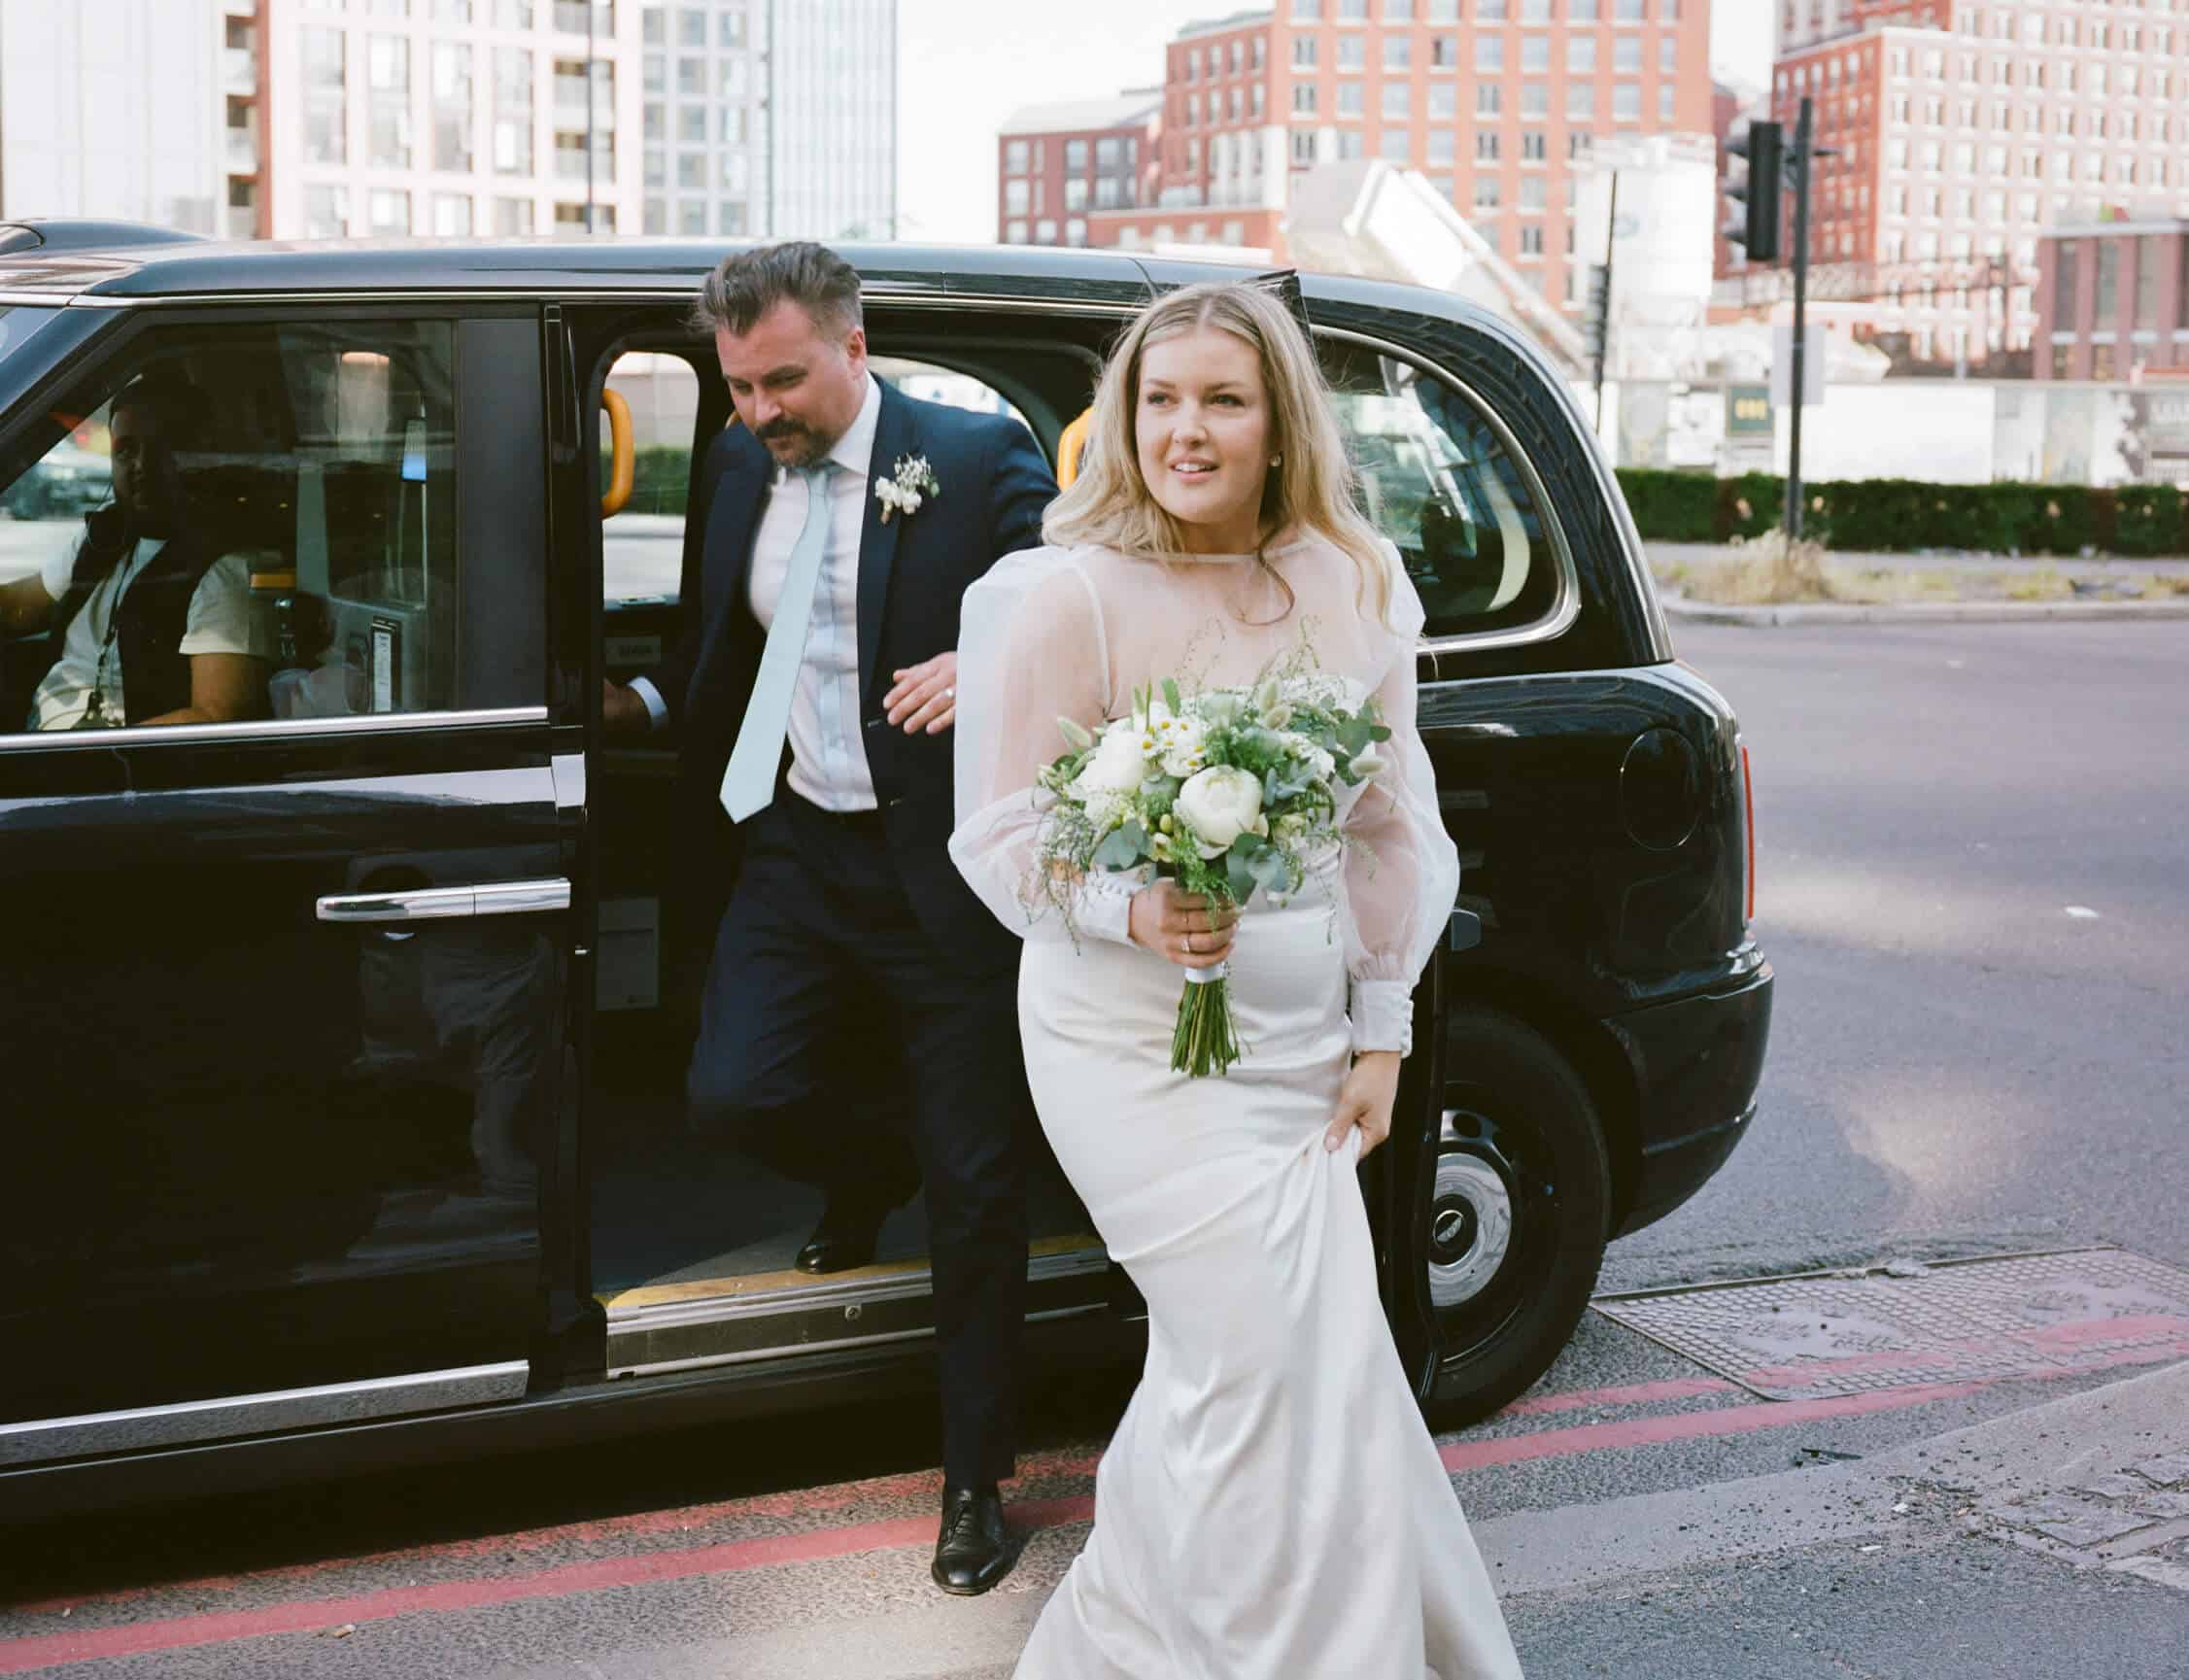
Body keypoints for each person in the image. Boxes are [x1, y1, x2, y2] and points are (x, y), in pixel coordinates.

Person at [949, 281, 1525, 1677]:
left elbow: (1392, 823)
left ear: (1281, 425)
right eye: (1157, 399)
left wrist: (1380, 1028)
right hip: (1120, 1038)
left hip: (1291, 1041)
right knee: (1246, 1352)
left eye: (1221, 399)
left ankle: (1182, 1632)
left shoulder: (1353, 581)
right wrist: (1130, 904)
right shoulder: (1062, 592)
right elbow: (1002, 830)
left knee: (1298, 1368)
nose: (1183, 430)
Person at [600, 241, 1057, 1595]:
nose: (758, 412)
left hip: (943, 872)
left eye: (782, 381)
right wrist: (638, 707)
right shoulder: (743, 464)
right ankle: (868, 1166)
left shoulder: (973, 460)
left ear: (855, 349)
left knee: (980, 1193)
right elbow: (724, 645)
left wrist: (992, 661)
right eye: (739, 387)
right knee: (734, 1095)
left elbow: (1080, 604)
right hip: (795, 848)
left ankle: (975, 1476)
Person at [0, 375, 270, 731]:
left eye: (162, 448)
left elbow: (212, 719)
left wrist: (92, 754)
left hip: (105, 767)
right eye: (126, 449)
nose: (141, 465)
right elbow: (20, 608)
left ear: (197, 458)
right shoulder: (105, 537)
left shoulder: (224, 569)